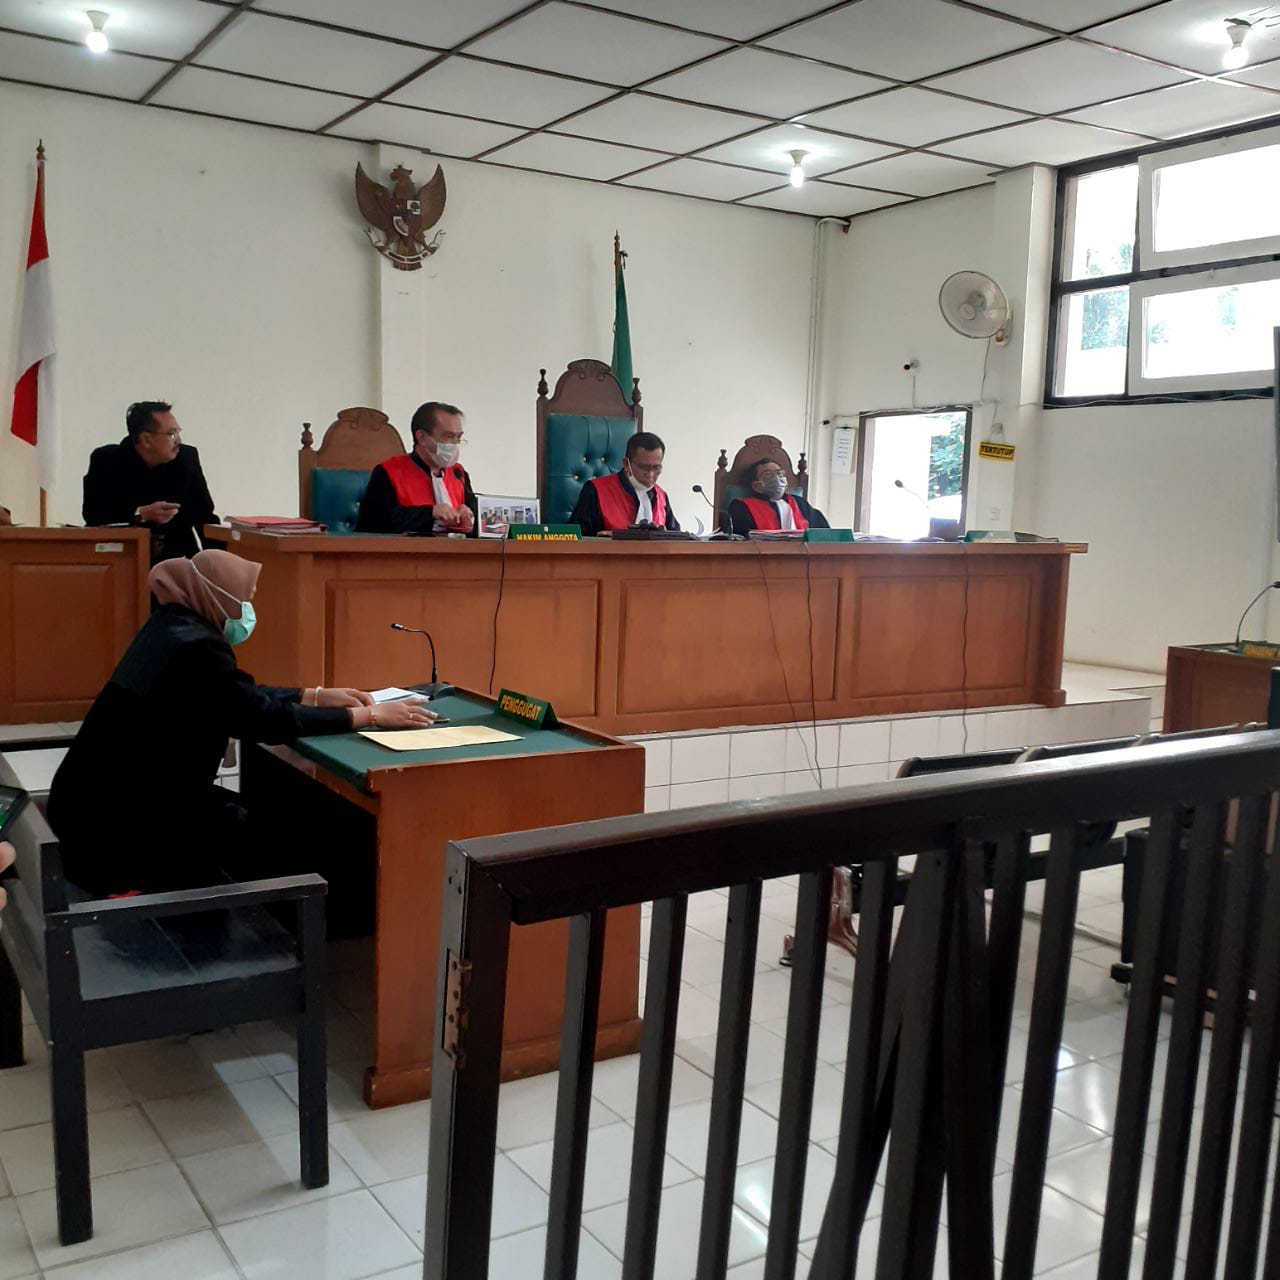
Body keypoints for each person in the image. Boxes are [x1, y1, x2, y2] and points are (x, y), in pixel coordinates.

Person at [47, 549, 434, 896]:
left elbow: (235, 695)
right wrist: (366, 716)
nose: (248, 609)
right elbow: (260, 719)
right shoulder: (196, 647)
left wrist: (313, 694)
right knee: (278, 841)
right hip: (120, 831)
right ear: (218, 595)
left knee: (265, 825)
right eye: (245, 599)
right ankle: (283, 931)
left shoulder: (172, 626)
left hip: (97, 807)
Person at [82, 401, 218, 564]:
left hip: (178, 559)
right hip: (123, 559)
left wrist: (218, 564)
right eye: (172, 434)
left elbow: (204, 516)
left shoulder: (186, 459)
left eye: (178, 432)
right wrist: (140, 514)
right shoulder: (107, 461)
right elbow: (94, 515)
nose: (179, 440)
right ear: (146, 439)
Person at [356, 401, 477, 535]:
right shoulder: (389, 472)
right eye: (448, 436)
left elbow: (479, 526)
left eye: (458, 437)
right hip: (406, 548)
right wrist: (430, 513)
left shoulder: (458, 474)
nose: (454, 444)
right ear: (422, 437)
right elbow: (373, 523)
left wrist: (470, 517)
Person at [569, 432, 680, 536]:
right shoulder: (596, 490)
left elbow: (677, 539)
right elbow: (575, 537)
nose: (650, 474)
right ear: (626, 464)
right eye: (643, 467)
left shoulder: (661, 496)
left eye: (656, 468)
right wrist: (609, 539)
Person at [729, 459, 830, 535]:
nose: (777, 478)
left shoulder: (800, 503)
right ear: (756, 485)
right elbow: (740, 539)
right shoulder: (741, 507)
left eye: (779, 473)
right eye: (768, 474)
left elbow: (824, 535)